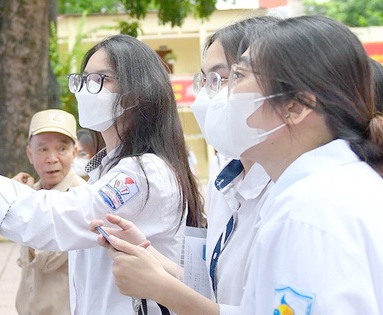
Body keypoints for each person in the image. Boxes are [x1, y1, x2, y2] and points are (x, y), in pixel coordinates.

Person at [0, 33, 204, 314]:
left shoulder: (142, 173)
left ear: (135, 93)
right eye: (82, 80)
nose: (85, 90)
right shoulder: (112, 168)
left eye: (100, 79)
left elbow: (44, 217)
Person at [98, 15, 383, 314]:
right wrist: (156, 266)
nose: (221, 96)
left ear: (296, 107)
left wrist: (162, 287)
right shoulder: (326, 191)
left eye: (238, 76)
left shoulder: (310, 211)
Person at [91, 14, 280, 311]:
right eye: (203, 80)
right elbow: (214, 289)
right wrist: (148, 254)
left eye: (220, 78)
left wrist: (160, 288)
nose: (204, 96)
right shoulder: (226, 184)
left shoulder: (291, 196)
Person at [11, 109, 86, 315]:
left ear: (74, 152)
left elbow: (47, 261)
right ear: (30, 154)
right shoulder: (32, 193)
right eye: (42, 149)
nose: (52, 158)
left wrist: (22, 205)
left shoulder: (82, 198)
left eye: (62, 148)